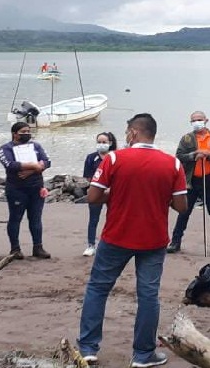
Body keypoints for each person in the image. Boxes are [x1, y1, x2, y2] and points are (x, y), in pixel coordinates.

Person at [77, 113, 187, 367]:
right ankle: (143, 353)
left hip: (117, 235)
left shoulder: (115, 158)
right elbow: (180, 205)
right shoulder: (172, 163)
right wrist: (161, 197)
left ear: (134, 133)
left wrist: (114, 194)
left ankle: (88, 347)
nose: (125, 136)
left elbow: (93, 197)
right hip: (154, 238)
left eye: (127, 132)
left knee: (98, 288)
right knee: (148, 295)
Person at [0, 122, 52, 259]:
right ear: (15, 134)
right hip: (17, 189)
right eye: (23, 131)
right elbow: (10, 165)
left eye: (28, 131)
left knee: (36, 218)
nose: (27, 133)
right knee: (15, 218)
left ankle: (38, 247)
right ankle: (15, 249)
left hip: (36, 187)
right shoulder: (5, 148)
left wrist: (31, 170)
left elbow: (46, 161)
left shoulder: (36, 146)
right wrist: (34, 166)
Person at [168, 111, 210, 253]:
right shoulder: (187, 138)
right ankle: (175, 242)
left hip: (208, 179)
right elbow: (179, 156)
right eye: (194, 120)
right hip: (191, 180)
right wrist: (194, 155)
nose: (197, 122)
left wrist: (208, 155)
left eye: (199, 119)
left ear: (206, 120)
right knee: (184, 212)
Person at [82, 132, 117, 257]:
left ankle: (112, 244)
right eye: (99, 142)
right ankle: (91, 245)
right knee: (93, 219)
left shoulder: (115, 157)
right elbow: (88, 176)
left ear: (110, 143)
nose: (101, 145)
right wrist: (98, 188)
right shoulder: (91, 158)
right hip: (96, 191)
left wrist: (110, 188)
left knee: (113, 218)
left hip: (113, 192)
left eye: (104, 142)